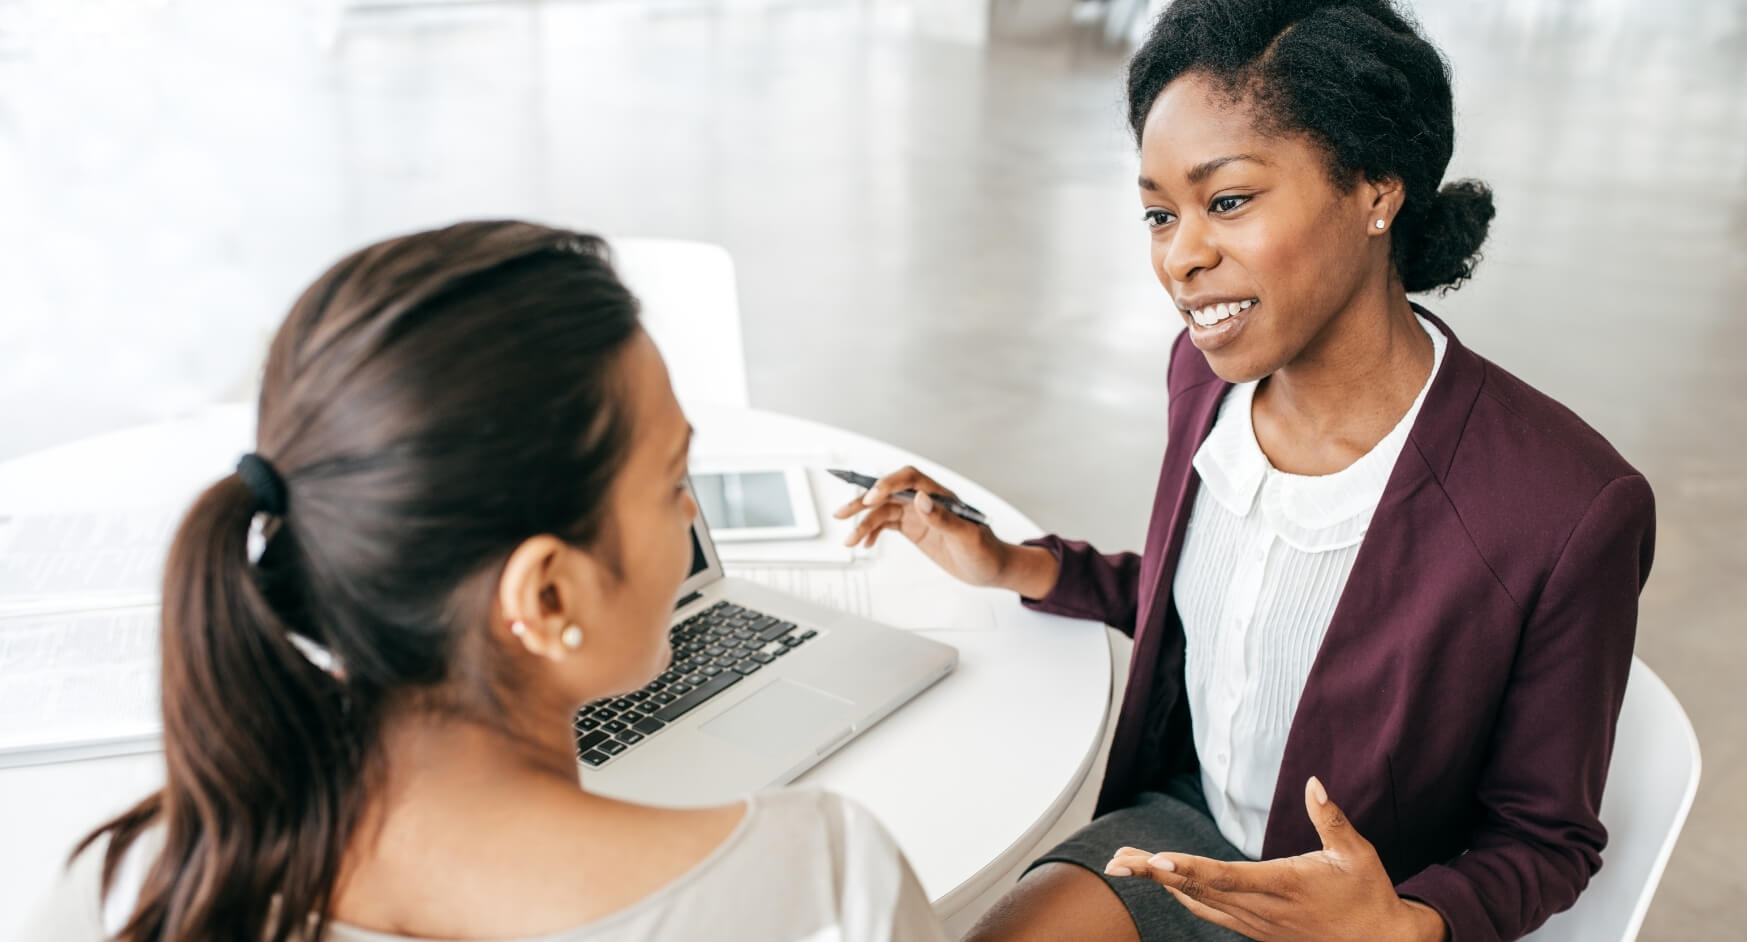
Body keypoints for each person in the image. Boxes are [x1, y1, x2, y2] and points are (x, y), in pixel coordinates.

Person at [837, 2, 1654, 941]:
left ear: (1376, 189)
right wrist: (1019, 565)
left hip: (1369, 910)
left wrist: (1406, 923)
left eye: (1227, 201)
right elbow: (1232, 607)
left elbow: (1544, 837)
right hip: (1189, 836)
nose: (1181, 256)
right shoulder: (1207, 379)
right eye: (1158, 212)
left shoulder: (1567, 504)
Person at [20, 221, 945, 942]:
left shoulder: (130, 891)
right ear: (546, 598)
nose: (691, 518)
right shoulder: (822, 886)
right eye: (672, 485)